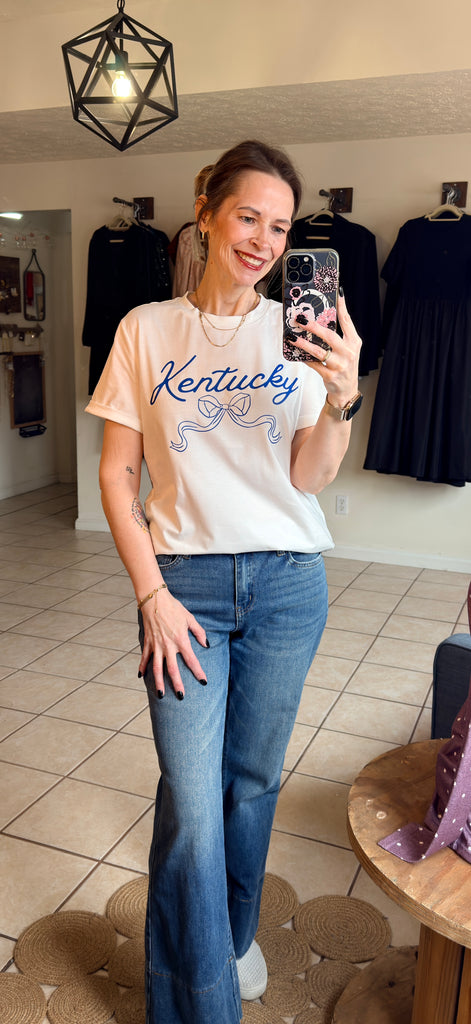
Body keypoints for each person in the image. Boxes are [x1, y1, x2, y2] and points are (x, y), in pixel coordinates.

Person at [86, 139, 362, 1024]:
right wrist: (151, 596)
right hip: (183, 591)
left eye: (279, 228)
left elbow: (309, 476)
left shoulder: (297, 333)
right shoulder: (144, 329)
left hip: (287, 585)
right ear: (205, 212)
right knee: (193, 805)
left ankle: (235, 937)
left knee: (250, 784)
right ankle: (196, 1006)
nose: (263, 241)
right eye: (248, 217)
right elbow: (116, 476)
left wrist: (341, 396)